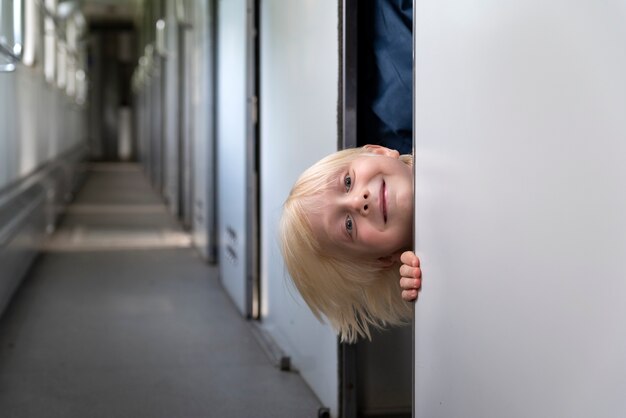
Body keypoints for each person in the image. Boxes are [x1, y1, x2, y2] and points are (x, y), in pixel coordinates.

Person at [279, 145, 422, 343]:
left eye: (348, 182)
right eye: (348, 225)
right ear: (380, 259)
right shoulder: (427, 272)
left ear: (379, 152)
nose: (357, 202)